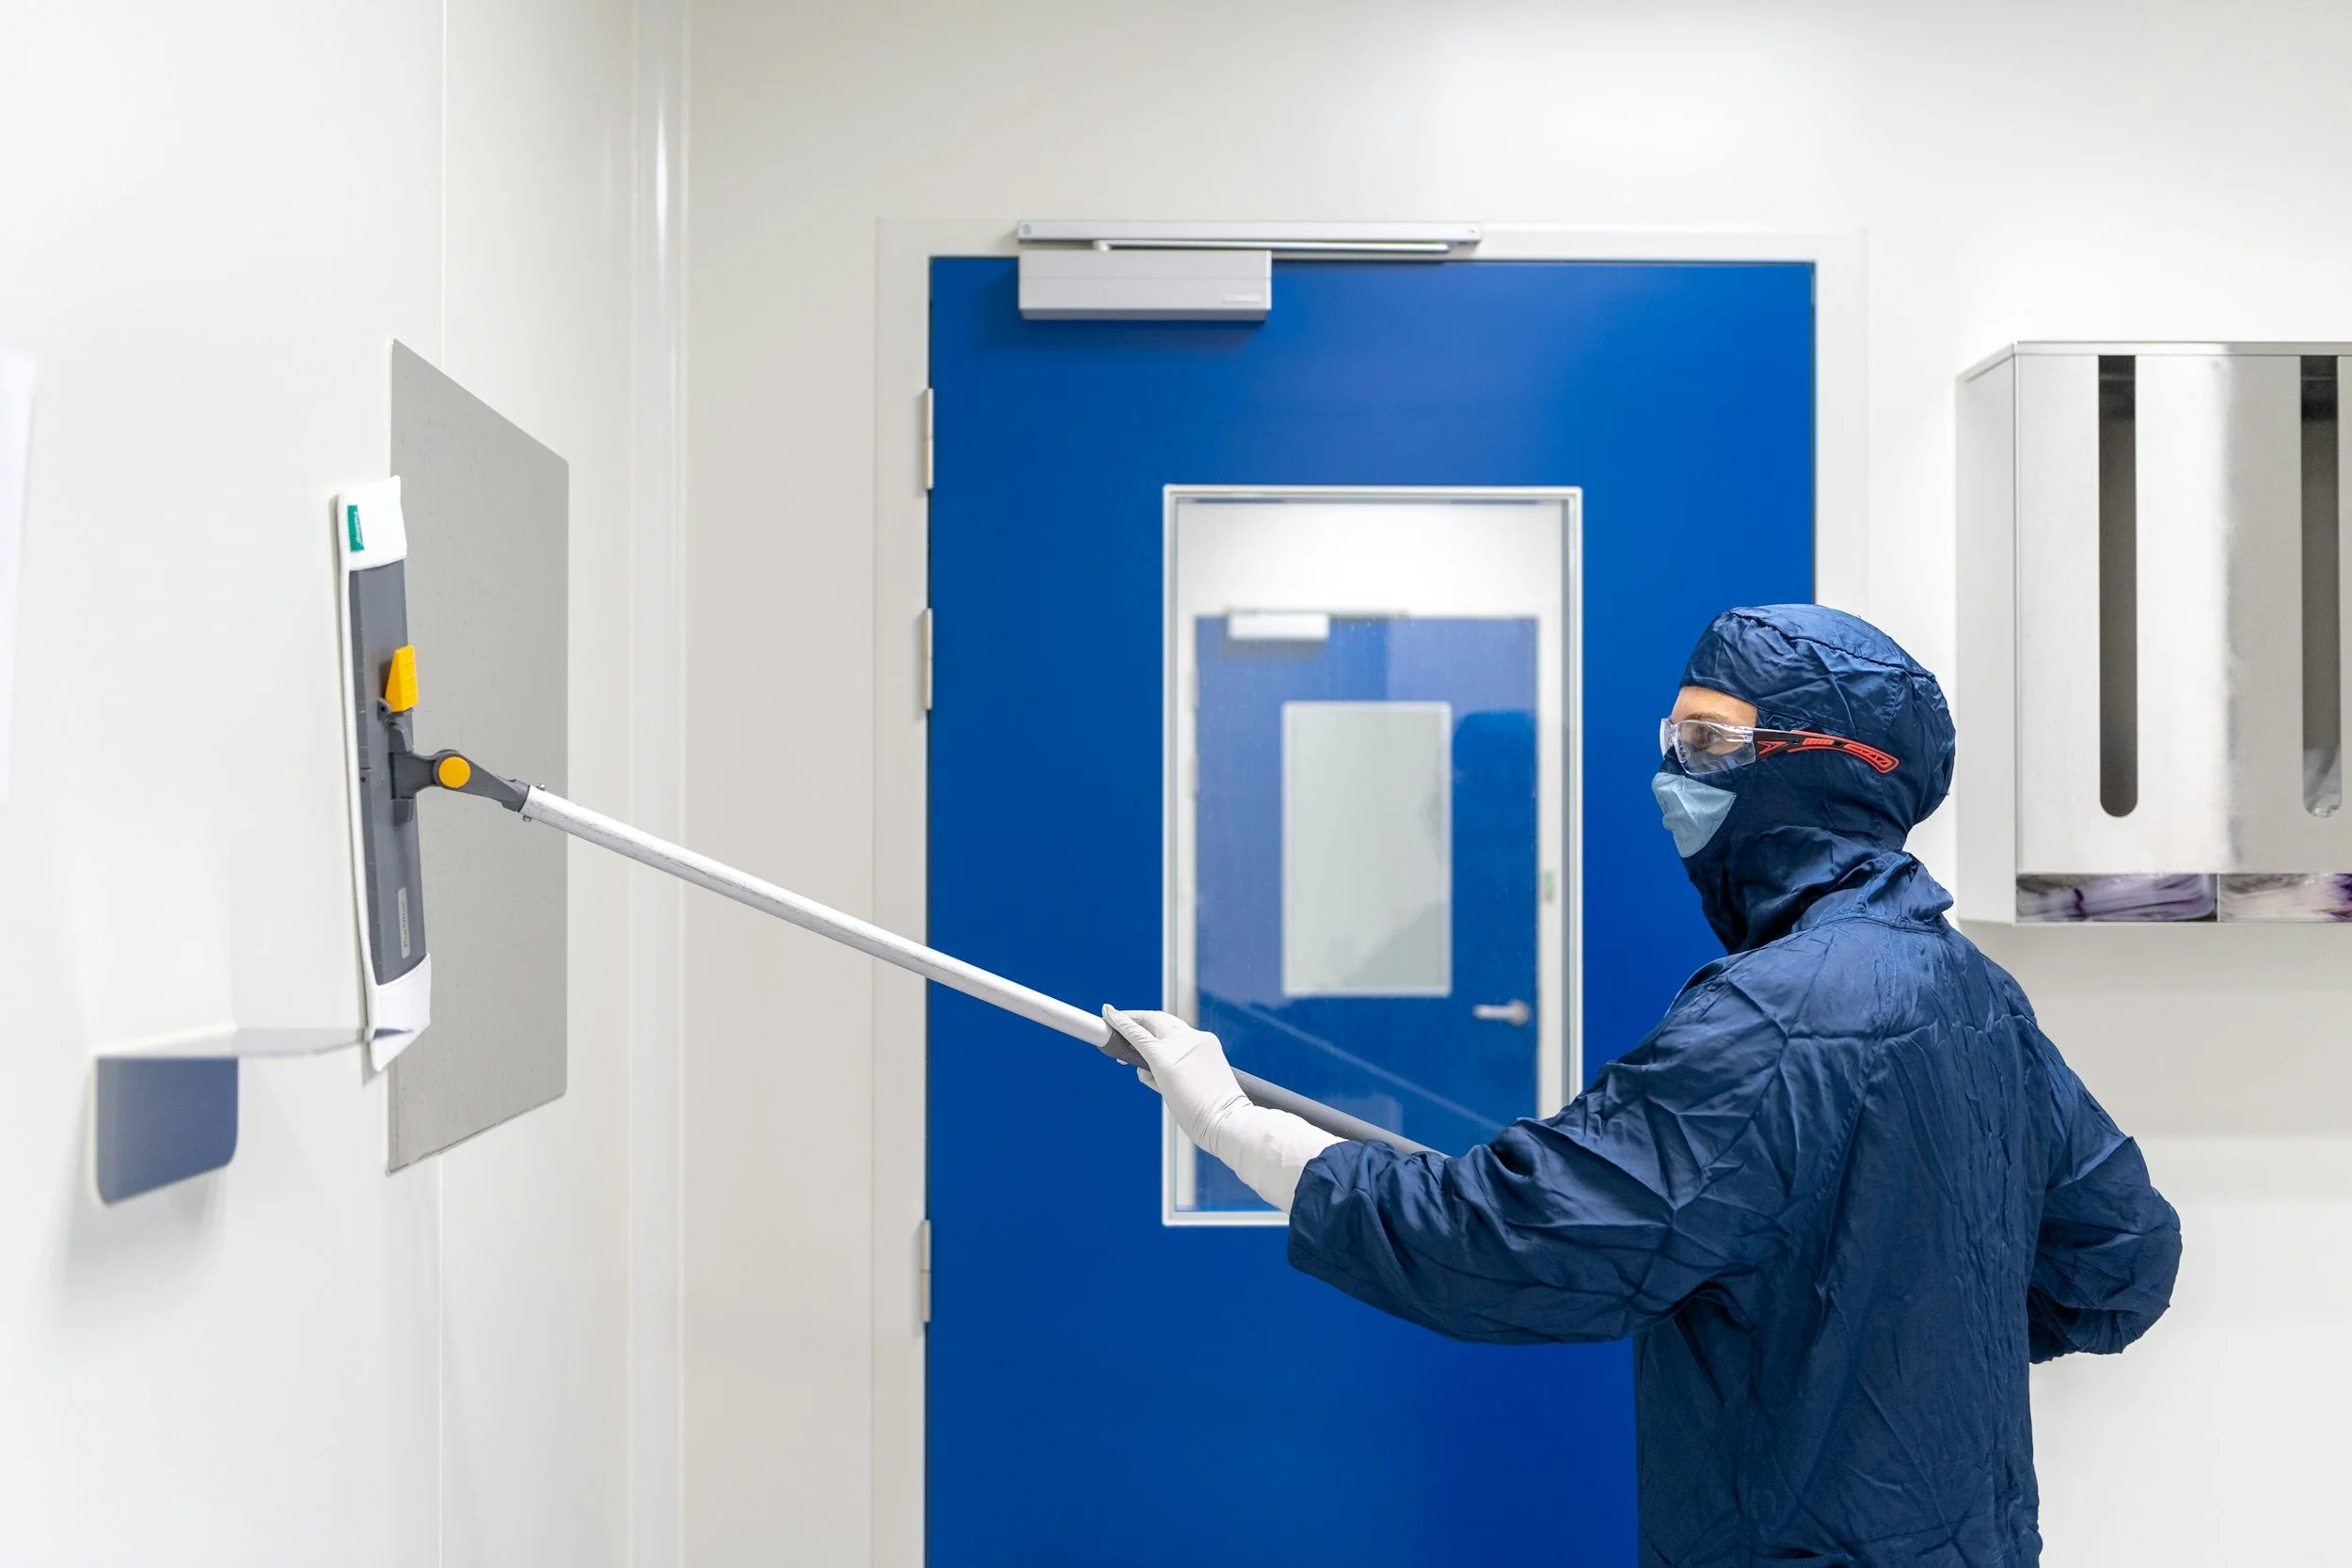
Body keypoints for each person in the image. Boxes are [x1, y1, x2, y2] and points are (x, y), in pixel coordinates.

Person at [1104, 603, 2181, 1568]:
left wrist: (1238, 1128)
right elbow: (2123, 1252)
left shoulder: (1772, 1018)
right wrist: (1907, 1330)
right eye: (1674, 738)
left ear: (1833, 767)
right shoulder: (1973, 992)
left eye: (1710, 742)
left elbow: (1506, 1236)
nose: (1674, 771)